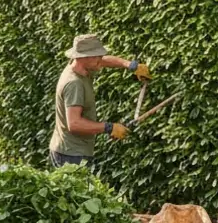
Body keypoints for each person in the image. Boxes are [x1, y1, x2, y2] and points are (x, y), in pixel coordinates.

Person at [50, 33, 152, 168]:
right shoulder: (74, 84)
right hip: (71, 155)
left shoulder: (81, 67)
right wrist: (109, 128)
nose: (100, 59)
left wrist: (130, 65)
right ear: (83, 57)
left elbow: (104, 61)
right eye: (97, 55)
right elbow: (74, 124)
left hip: (72, 150)